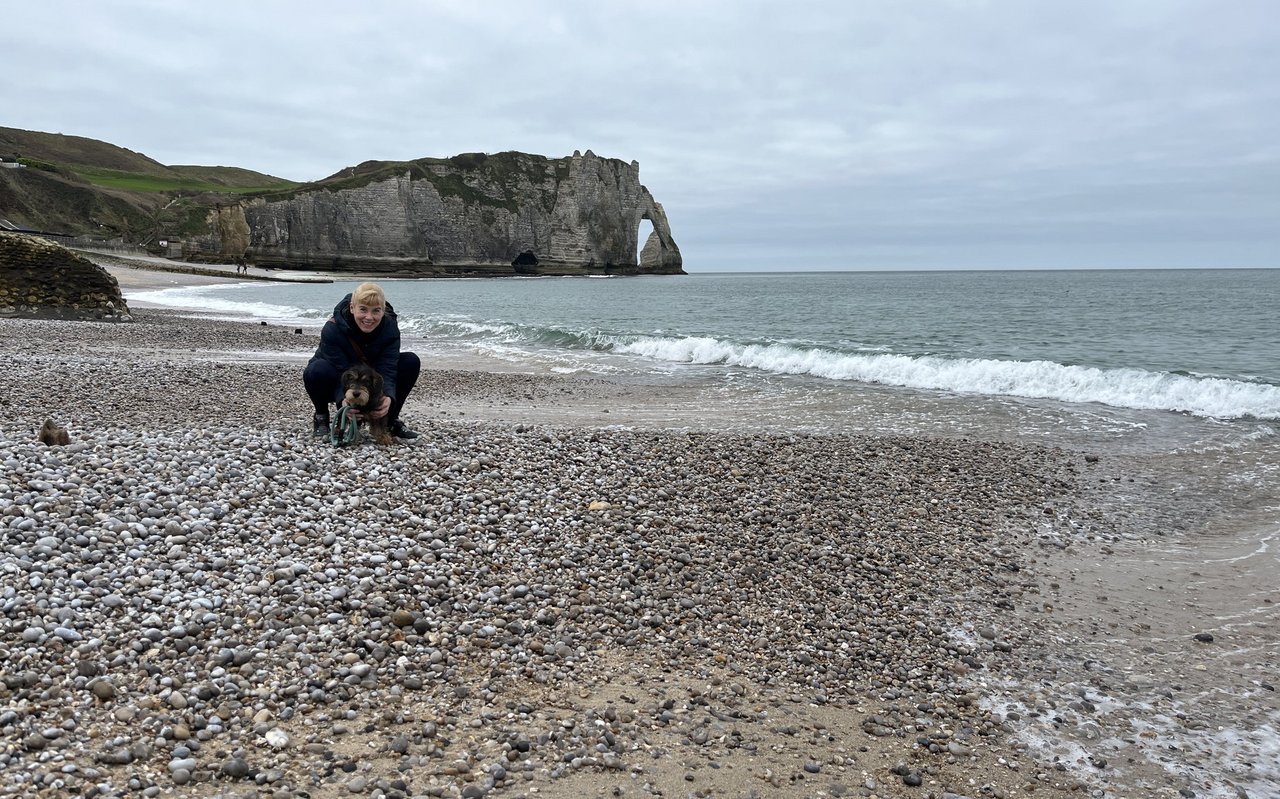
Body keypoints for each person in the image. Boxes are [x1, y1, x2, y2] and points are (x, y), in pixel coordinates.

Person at [304, 282, 421, 440]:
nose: (369, 317)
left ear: (383, 310)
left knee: (410, 361)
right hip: (335, 377)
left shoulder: (390, 329)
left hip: (370, 379)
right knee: (315, 370)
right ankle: (321, 417)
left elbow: (388, 368)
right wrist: (342, 401)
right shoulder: (332, 329)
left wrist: (388, 397)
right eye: (363, 309)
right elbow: (341, 370)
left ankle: (390, 419)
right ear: (352, 308)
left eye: (376, 311)